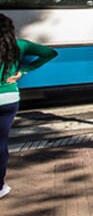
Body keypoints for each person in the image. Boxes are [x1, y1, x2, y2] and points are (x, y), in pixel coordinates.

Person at [0, 14, 57, 199]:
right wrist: (24, 71)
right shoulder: (20, 45)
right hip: (9, 99)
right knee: (1, 144)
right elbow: (50, 53)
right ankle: (0, 186)